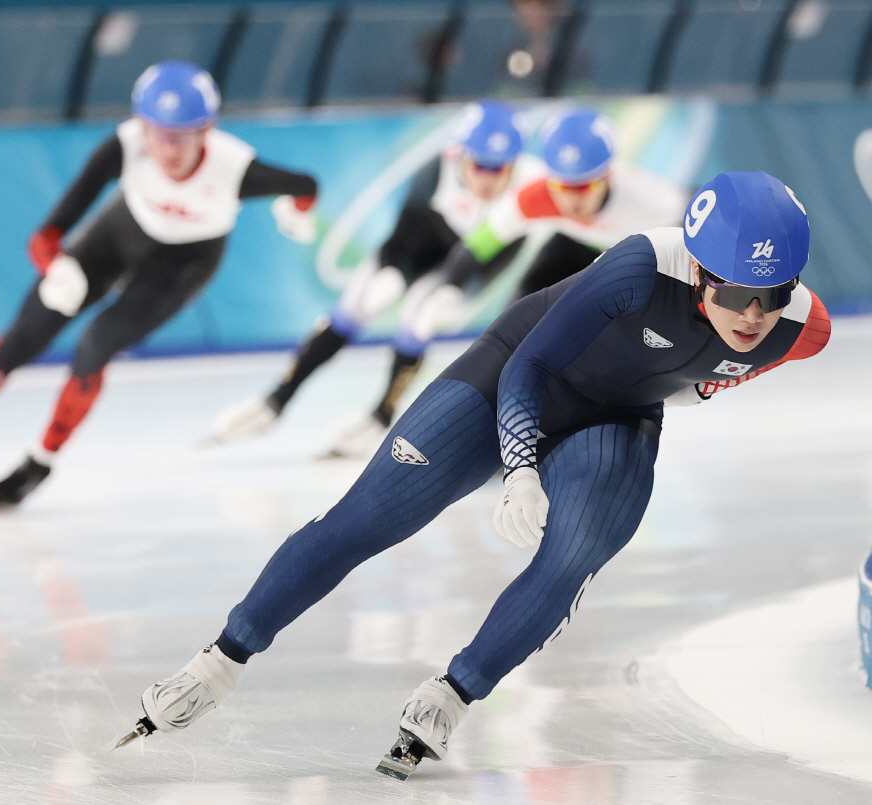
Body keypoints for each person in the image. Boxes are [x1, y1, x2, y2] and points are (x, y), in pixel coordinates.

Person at [114, 171, 831, 779]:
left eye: (777, 293)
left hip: (618, 416)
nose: (756, 315)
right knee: (364, 520)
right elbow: (531, 366)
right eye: (739, 294)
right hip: (509, 376)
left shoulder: (806, 330)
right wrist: (518, 467)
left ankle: (451, 696)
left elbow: (726, 363)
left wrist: (699, 387)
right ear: (702, 271)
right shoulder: (638, 267)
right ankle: (217, 663)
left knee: (573, 558)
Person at [0, 61, 319, 510]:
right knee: (20, 340)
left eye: (182, 137)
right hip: (117, 236)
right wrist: (55, 267)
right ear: (141, 126)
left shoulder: (236, 168)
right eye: (159, 134)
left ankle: (40, 463)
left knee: (96, 345)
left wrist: (297, 214)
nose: (169, 149)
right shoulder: (124, 146)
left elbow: (306, 183)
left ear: (208, 130)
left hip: (183, 264)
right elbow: (47, 233)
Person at [315, 108, 688, 458]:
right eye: (563, 187)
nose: (572, 201)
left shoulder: (653, 202)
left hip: (641, 252)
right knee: (517, 328)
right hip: (573, 248)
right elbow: (478, 245)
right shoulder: (537, 197)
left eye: (584, 188)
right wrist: (450, 286)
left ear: (607, 176)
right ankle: (489, 427)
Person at [209, 99, 534, 447]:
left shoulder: (530, 186)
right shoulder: (436, 170)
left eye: (500, 169)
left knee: (419, 320)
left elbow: (504, 257)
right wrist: (393, 270)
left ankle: (381, 416)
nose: (488, 177)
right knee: (360, 305)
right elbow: (406, 231)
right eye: (480, 166)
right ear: (460, 155)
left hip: (471, 264)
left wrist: (456, 288)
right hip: (420, 243)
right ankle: (276, 399)